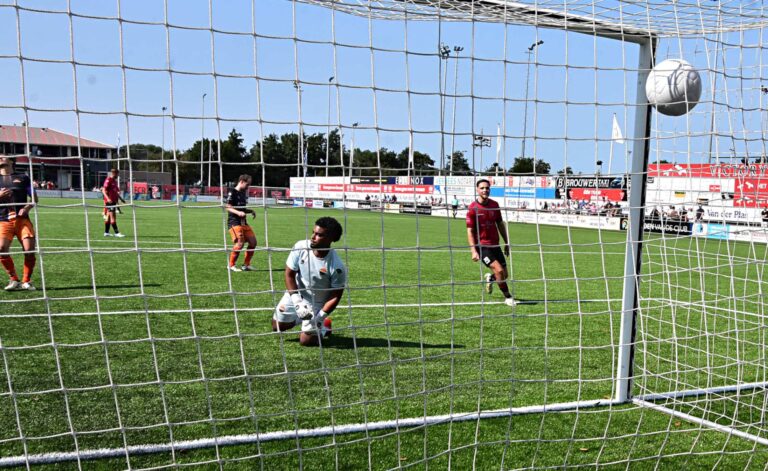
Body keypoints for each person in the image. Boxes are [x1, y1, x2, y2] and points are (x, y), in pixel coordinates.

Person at [272, 217, 346, 346]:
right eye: (313, 232)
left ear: (331, 239)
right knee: (277, 326)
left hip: (317, 302)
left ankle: (324, 326)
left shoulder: (337, 266)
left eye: (319, 235)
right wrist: (297, 301)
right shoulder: (300, 246)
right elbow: (289, 274)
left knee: (306, 342)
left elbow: (336, 295)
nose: (313, 237)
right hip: (296, 293)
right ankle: (303, 319)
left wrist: (320, 317)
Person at [466, 179, 516, 306]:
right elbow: (470, 231)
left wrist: (507, 242)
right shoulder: (473, 208)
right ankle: (508, 297)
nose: (485, 190)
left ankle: (491, 278)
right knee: (499, 271)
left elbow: (500, 224)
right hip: (482, 247)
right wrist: (473, 250)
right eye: (482, 188)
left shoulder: (495, 205)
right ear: (477, 190)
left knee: (504, 275)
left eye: (487, 188)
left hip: (495, 245)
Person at [0, 155, 38, 291]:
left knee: (29, 250)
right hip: (3, 220)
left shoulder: (23, 177)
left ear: (11, 161)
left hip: (23, 220)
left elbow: (34, 198)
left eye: (2, 157)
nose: (0, 158)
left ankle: (26, 281)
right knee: (1, 249)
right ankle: (14, 279)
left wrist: (26, 207)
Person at [225, 174, 257, 272]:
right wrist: (238, 212)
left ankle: (246, 265)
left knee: (253, 242)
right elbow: (228, 207)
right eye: (247, 184)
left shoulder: (243, 194)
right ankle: (231, 265)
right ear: (242, 181)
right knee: (240, 244)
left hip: (243, 223)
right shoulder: (232, 192)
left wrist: (250, 211)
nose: (248, 187)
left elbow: (241, 209)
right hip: (234, 223)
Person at [102, 168, 126, 237]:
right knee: (113, 217)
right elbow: (103, 190)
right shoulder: (108, 180)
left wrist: (121, 199)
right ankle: (117, 233)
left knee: (109, 217)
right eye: (117, 174)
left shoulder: (114, 181)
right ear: (114, 173)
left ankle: (106, 232)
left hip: (113, 201)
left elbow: (116, 192)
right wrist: (108, 198)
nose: (118, 176)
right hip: (110, 202)